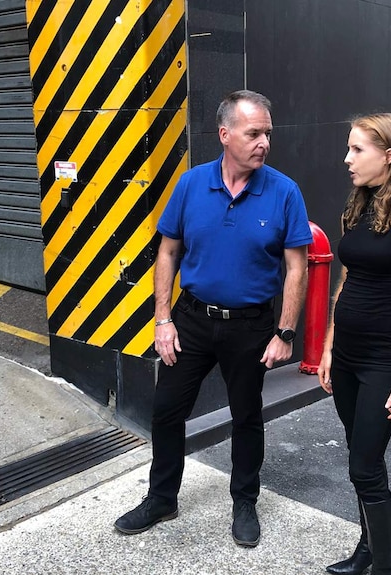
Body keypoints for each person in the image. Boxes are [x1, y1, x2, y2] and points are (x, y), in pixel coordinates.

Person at [114, 90, 312, 547]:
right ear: (225, 135)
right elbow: (167, 251)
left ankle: (244, 502)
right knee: (167, 411)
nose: (263, 142)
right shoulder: (190, 184)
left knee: (246, 416)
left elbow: (297, 267)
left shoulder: (284, 191)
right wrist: (163, 320)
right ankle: (162, 498)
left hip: (250, 326)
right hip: (192, 321)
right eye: (253, 133)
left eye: (267, 133)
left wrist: (285, 332)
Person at [317, 113, 391, 575]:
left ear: (389, 156)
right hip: (347, 355)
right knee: (359, 459)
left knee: (365, 466)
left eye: (357, 150)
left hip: (384, 361)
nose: (346, 159)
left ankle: (383, 568)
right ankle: (367, 550)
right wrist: (329, 347)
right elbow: (346, 282)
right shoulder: (357, 208)